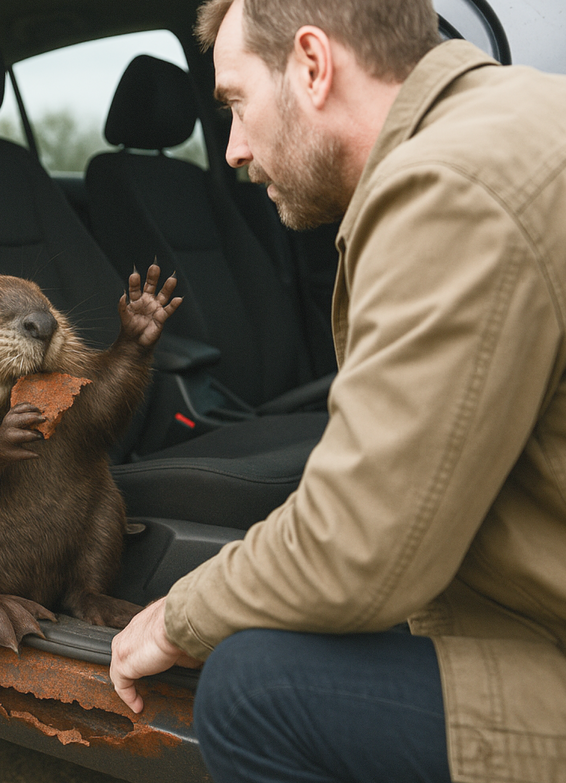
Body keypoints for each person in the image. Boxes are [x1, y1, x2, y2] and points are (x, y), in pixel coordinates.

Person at [107, 1, 566, 781]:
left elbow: (360, 545)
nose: (235, 149)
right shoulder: (526, 116)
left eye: (236, 103)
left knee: (252, 690)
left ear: (313, 66)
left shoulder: (451, 184)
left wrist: (180, 618)